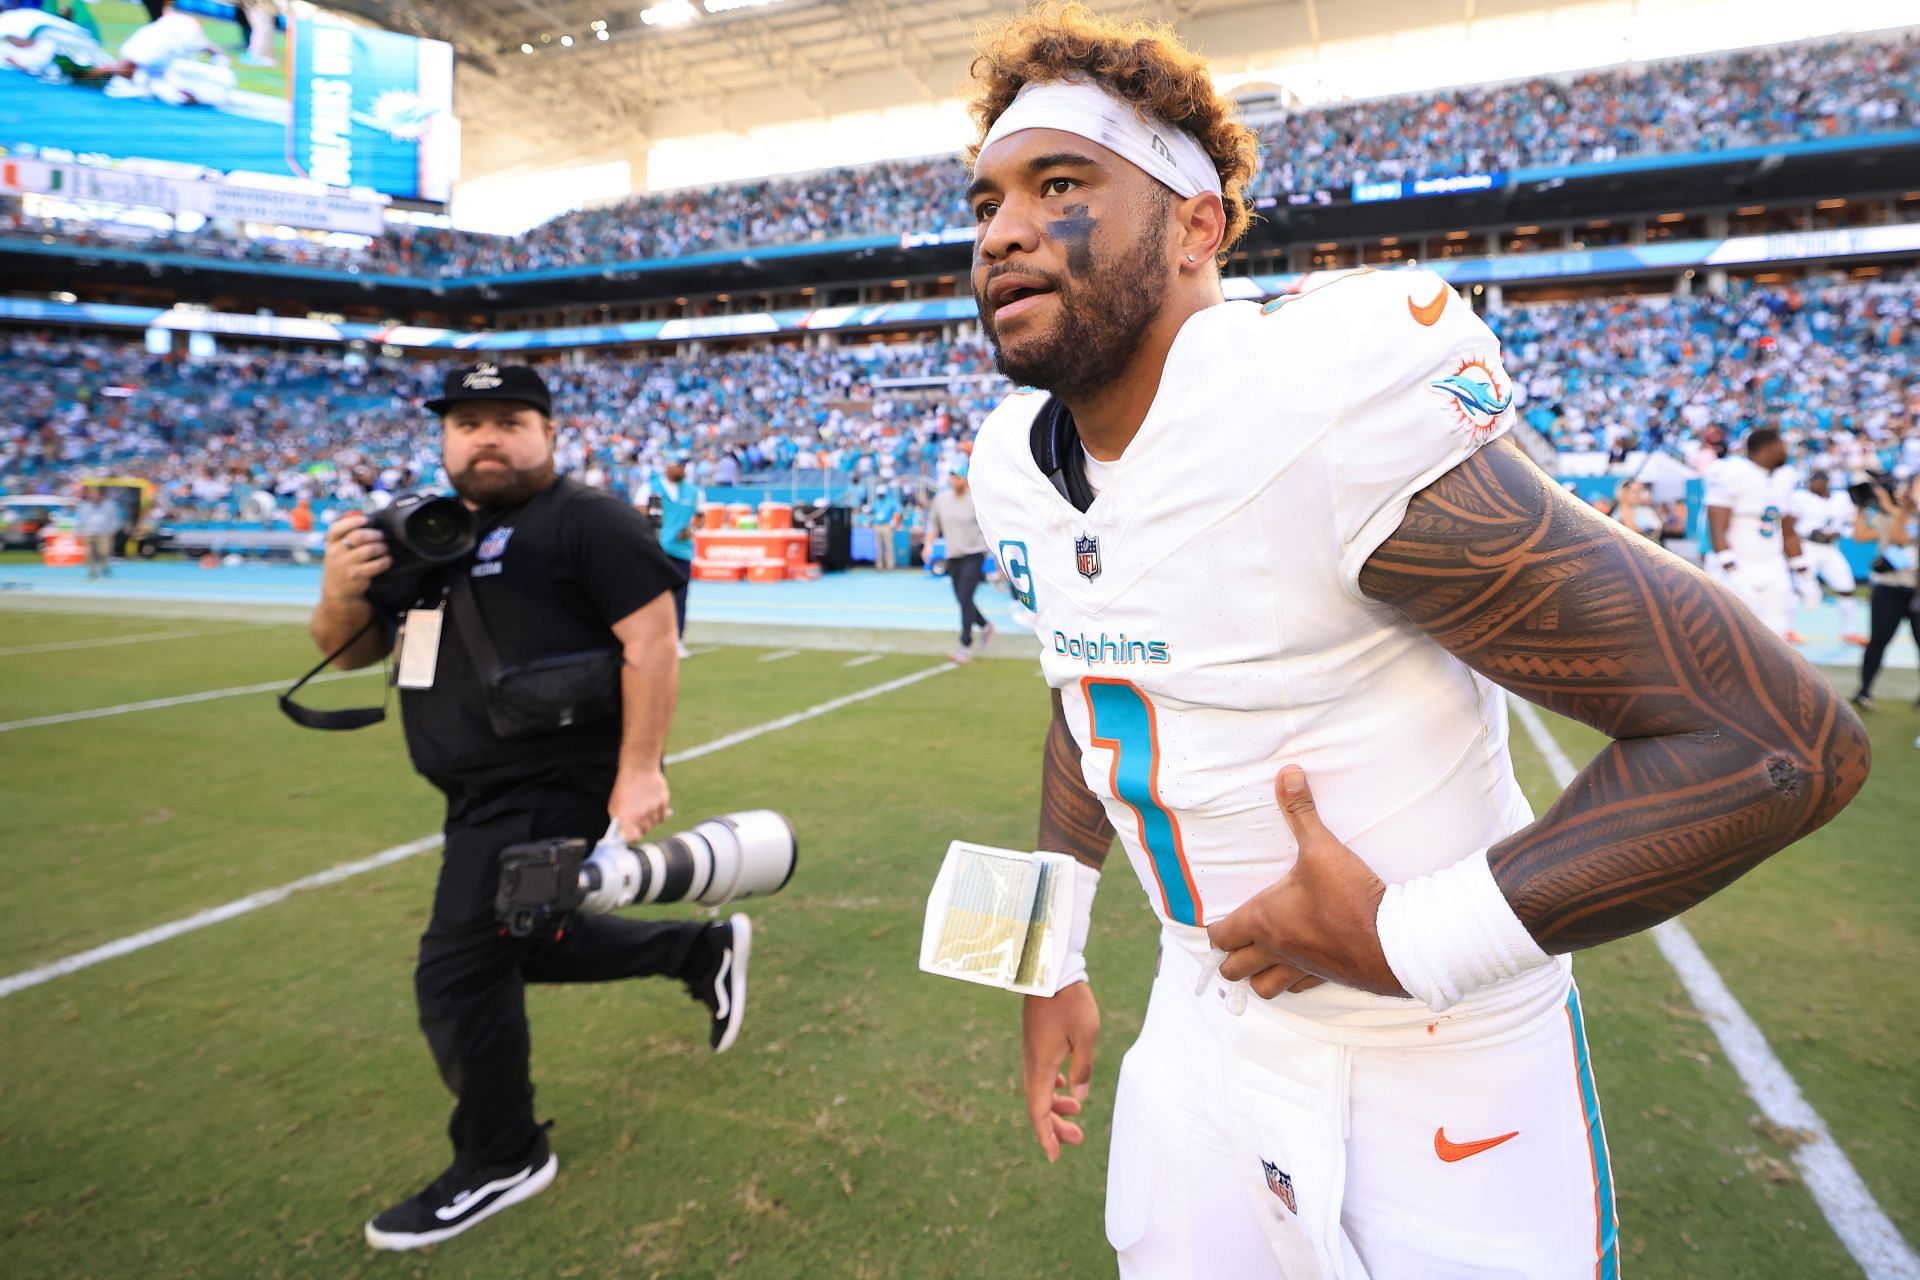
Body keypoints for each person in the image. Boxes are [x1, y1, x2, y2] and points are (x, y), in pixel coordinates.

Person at [958, 7, 1868, 1276]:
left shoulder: (1318, 395)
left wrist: (1412, 936)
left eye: (1058, 185)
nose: (1000, 229)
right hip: (1196, 1022)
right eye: (986, 197)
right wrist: (1045, 953)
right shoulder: (1013, 462)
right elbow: (1087, 689)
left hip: (1436, 1046)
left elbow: (1781, 739)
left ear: (1196, 224)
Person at [308, 362, 752, 1251]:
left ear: (548, 433)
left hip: (552, 780)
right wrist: (339, 588)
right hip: (473, 791)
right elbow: (346, 655)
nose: (488, 436)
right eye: (467, 422)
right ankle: (695, 947)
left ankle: (504, 1153)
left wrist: (638, 770)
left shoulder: (587, 520)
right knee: (517, 944)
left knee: (457, 970)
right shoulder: (422, 537)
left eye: (510, 419)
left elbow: (653, 640)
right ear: (442, 440)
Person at [1705, 427, 1805, 640]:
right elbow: (1717, 528)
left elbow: (1788, 530)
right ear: (1767, 448)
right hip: (1739, 563)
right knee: (1729, 636)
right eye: (1781, 446)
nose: (1785, 451)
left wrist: (1803, 571)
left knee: (1776, 635)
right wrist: (1732, 571)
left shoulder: (1784, 477)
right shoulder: (1732, 472)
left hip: (1771, 562)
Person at [1851, 476, 1918, 711]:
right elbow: (1860, 535)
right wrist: (1860, 507)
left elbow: (1903, 538)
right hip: (1889, 589)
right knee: (1878, 641)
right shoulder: (1888, 516)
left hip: (1915, 589)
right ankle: (1864, 691)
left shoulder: (1905, 517)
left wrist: (1902, 509)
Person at [923, 462, 994, 663]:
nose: (954, 480)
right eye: (952, 476)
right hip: (953, 554)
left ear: (966, 478)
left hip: (974, 553)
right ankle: (985, 625)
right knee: (963, 599)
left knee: (965, 596)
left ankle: (964, 644)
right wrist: (928, 546)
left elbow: (990, 526)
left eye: (958, 476)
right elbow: (933, 525)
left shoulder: (976, 499)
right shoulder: (942, 500)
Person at [633, 455, 699, 658]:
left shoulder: (693, 491)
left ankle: (677, 640)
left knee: (679, 598)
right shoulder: (650, 488)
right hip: (655, 550)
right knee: (651, 598)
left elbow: (701, 518)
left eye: (684, 466)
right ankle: (646, 637)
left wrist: (691, 530)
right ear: (669, 466)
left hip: (681, 550)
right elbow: (638, 514)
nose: (683, 470)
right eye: (679, 466)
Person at [1793, 473, 1865, 645]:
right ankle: (1788, 629)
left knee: (1847, 587)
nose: (1811, 484)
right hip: (1808, 546)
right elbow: (1790, 525)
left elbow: (1850, 523)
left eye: (1815, 481)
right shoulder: (1802, 498)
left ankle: (1849, 631)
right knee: (1798, 587)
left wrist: (1839, 532)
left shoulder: (1841, 499)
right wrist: (1808, 532)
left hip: (1830, 548)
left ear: (1825, 482)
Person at [72, 482, 120, 578]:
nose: (93, 496)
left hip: (104, 533)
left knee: (103, 552)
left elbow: (115, 520)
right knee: (89, 554)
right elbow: (80, 520)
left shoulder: (109, 505)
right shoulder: (84, 506)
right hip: (89, 532)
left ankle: (104, 566)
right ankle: (92, 572)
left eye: (95, 494)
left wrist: (112, 531)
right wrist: (78, 531)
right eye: (91, 494)